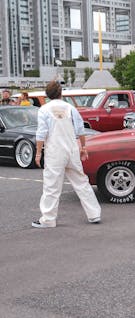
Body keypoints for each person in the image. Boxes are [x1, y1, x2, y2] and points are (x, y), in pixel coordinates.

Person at [32, 80, 101, 228]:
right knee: (82, 183)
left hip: (55, 152)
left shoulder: (44, 110)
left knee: (52, 186)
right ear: (61, 93)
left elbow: (41, 134)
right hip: (72, 150)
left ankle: (48, 219)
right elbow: (80, 129)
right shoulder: (70, 108)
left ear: (47, 94)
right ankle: (94, 214)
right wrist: (83, 147)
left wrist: (38, 153)